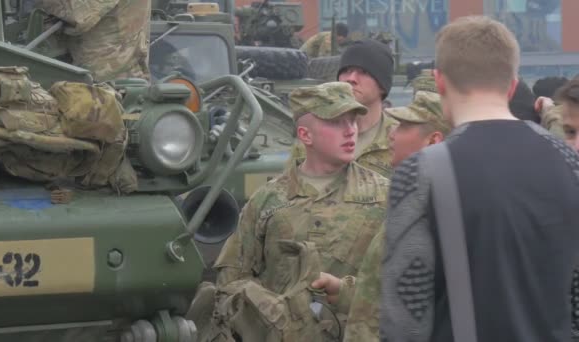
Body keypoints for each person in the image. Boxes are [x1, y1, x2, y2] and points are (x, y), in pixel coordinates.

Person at [378, 16, 579, 342]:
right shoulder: (569, 162)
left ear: (439, 82)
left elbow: (404, 321)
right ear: (512, 85)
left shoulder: (420, 173)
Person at [211, 82, 390, 340]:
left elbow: (405, 286)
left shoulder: (384, 196)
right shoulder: (269, 200)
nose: (350, 131)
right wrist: (264, 306)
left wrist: (346, 291)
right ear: (306, 136)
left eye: (352, 121)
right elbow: (230, 280)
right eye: (336, 123)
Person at [310, 86, 451, 342]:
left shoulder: (436, 213)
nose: (392, 134)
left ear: (434, 141)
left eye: (404, 127)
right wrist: (343, 290)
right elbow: (391, 292)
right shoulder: (414, 201)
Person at [290, 39, 399, 178]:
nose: (351, 78)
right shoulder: (313, 137)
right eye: (346, 71)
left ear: (383, 85)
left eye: (364, 72)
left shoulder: (400, 140)